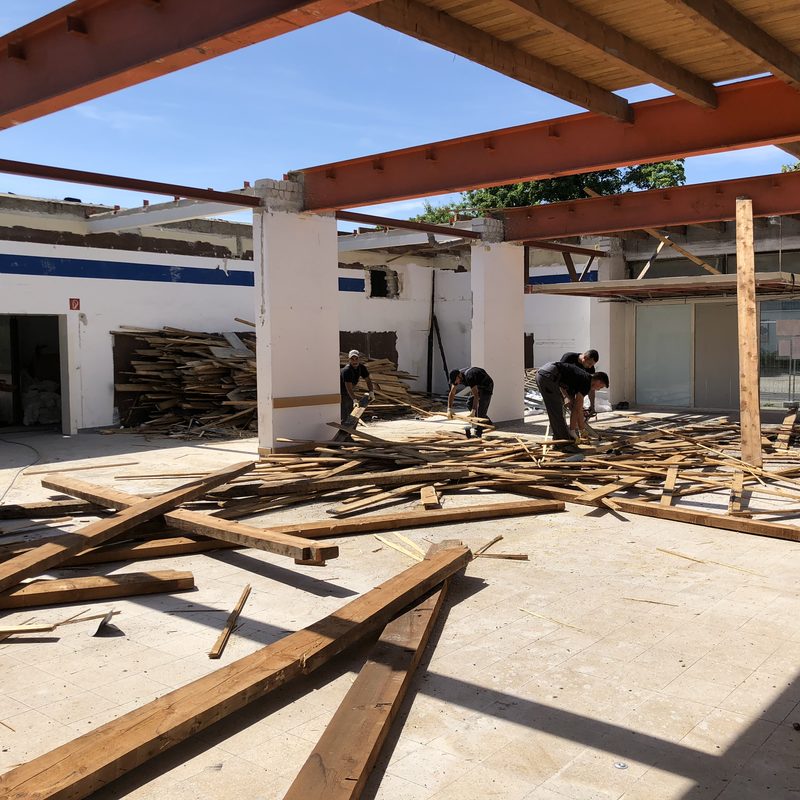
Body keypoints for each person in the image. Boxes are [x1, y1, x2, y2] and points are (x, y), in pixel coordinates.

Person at [536, 360, 609, 452]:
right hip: (548, 376)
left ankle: (559, 442)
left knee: (556, 412)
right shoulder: (586, 382)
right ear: (598, 381)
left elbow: (577, 408)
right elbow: (577, 409)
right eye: (600, 387)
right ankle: (565, 444)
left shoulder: (579, 380)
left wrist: (582, 430)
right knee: (557, 413)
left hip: (546, 373)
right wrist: (573, 431)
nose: (598, 389)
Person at [447, 367, 493, 438]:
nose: (456, 383)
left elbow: (476, 396)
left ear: (459, 375)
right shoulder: (456, 378)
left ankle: (478, 433)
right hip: (477, 385)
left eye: (456, 380)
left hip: (487, 385)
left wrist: (473, 411)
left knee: (480, 410)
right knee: (469, 403)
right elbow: (452, 393)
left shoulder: (469, 377)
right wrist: (449, 409)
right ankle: (487, 423)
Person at [560, 349, 599, 417]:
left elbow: (591, 388)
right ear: (584, 357)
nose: (590, 366)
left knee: (577, 410)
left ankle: (577, 422)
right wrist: (566, 397)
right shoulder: (569, 357)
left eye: (592, 365)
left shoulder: (590, 368)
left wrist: (592, 405)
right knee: (561, 411)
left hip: (573, 390)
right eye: (589, 364)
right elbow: (559, 379)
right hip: (560, 387)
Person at [340, 350, 374, 422]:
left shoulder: (361, 368)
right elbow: (348, 387)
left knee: (353, 416)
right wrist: (354, 399)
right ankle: (345, 427)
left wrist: (371, 392)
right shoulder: (346, 370)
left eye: (356, 359)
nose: (354, 361)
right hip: (342, 392)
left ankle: (351, 427)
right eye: (352, 359)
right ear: (349, 360)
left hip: (350, 392)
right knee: (346, 415)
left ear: (359, 359)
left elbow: (368, 380)